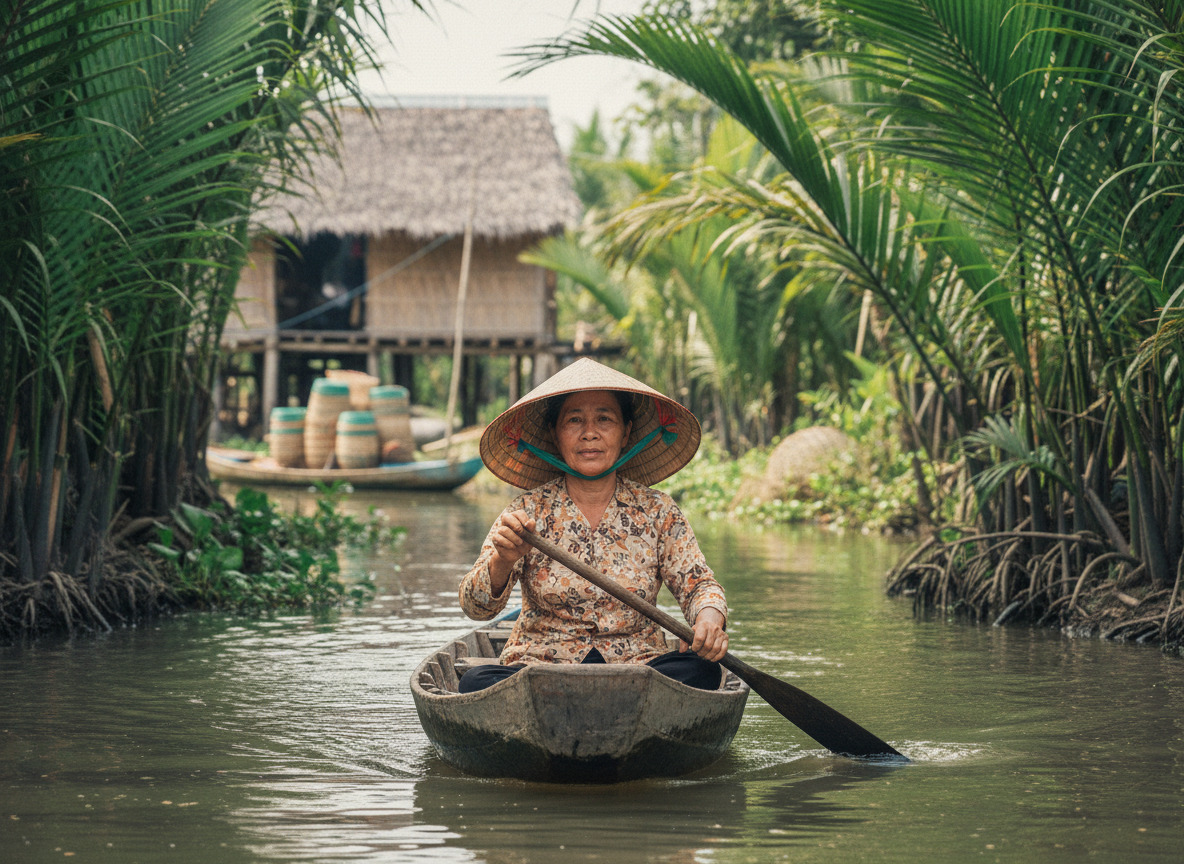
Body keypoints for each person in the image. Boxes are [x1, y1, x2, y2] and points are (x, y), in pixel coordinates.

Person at [457, 357, 728, 693]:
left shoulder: (659, 510)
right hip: (542, 670)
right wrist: (503, 560)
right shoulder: (527, 510)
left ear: (626, 432)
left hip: (638, 669)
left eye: (604, 419)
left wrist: (708, 621)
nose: (589, 434)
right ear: (555, 435)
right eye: (574, 421)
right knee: (474, 682)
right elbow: (475, 607)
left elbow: (699, 585)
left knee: (703, 670)